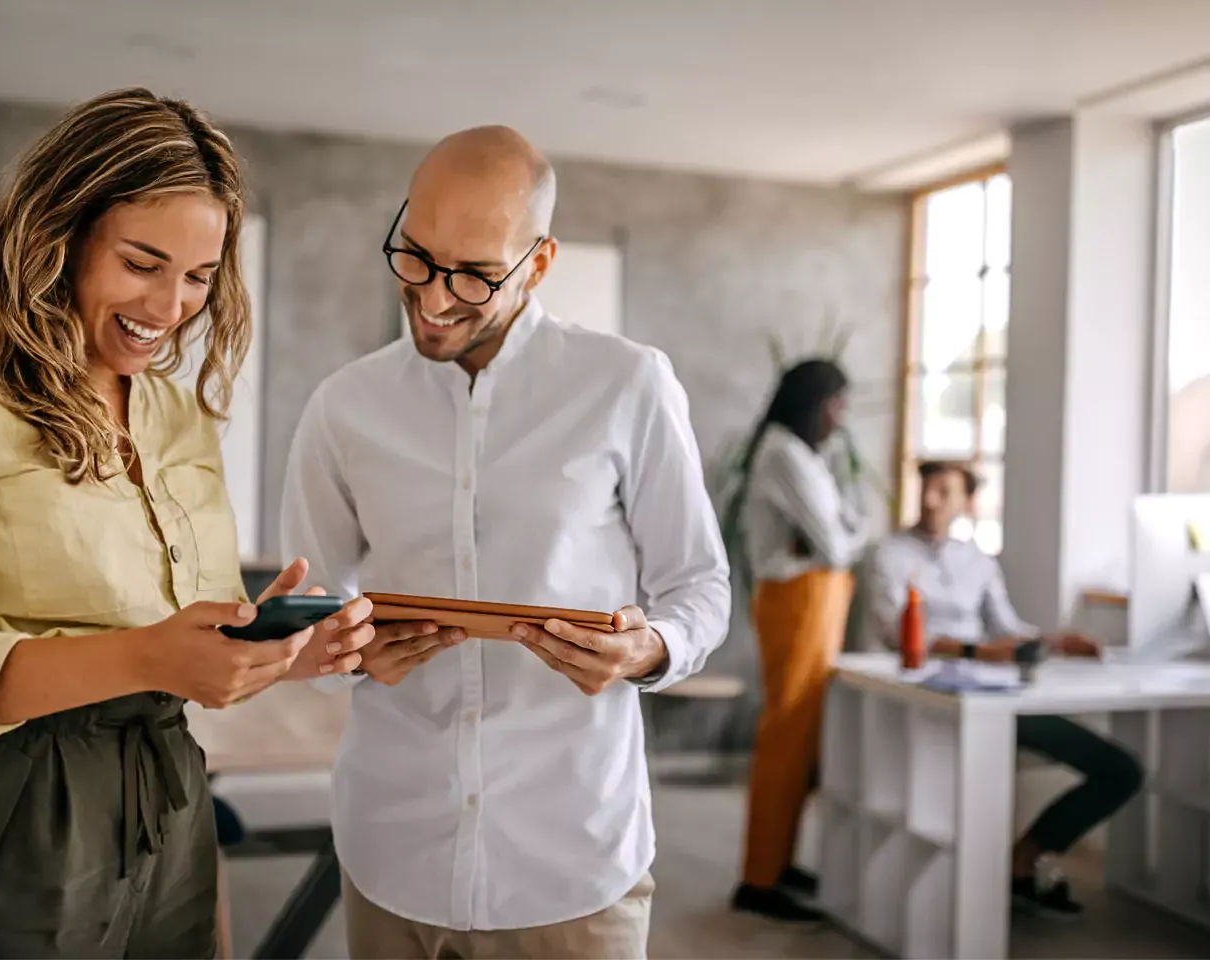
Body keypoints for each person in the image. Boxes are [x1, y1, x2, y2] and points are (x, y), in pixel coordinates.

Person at [0, 88, 373, 958]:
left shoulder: (177, 418)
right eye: (142, 264)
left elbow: (188, 633)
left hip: (166, 801)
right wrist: (148, 657)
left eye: (198, 276)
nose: (171, 306)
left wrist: (293, 652)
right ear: (59, 237)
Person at [279, 125, 731, 959]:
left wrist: (647, 649)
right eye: (414, 256)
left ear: (541, 263)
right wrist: (333, 646)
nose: (435, 296)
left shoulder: (628, 385)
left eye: (476, 276)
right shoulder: (343, 408)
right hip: (392, 848)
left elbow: (699, 587)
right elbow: (310, 608)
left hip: (571, 859)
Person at [864, 460, 1144, 917]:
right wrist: (980, 651)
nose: (931, 499)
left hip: (994, 696)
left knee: (1120, 770)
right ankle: (962, 895)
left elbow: (1009, 628)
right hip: (930, 698)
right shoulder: (889, 554)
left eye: (944, 491)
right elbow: (898, 636)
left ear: (967, 503)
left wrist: (1055, 641)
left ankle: (1023, 860)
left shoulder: (978, 562)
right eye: (927, 489)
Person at [726, 358, 867, 923]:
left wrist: (839, 536)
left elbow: (846, 530)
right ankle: (760, 878)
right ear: (815, 402)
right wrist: (840, 537)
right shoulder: (784, 452)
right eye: (836, 403)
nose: (841, 416)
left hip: (814, 602)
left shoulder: (805, 456)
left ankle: (778, 864)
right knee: (787, 736)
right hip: (798, 603)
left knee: (803, 739)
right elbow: (840, 542)